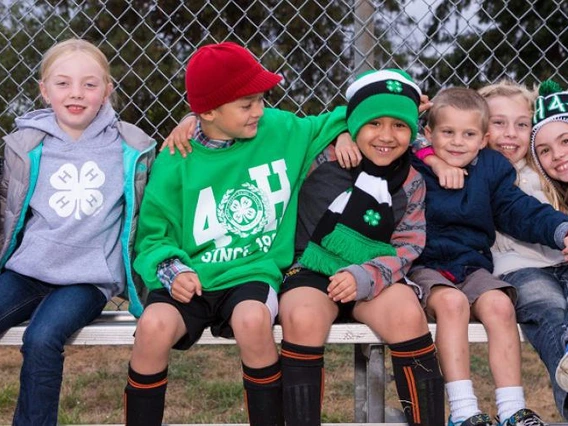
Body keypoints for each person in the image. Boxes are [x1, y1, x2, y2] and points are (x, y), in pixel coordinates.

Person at [123, 41, 349, 426]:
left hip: (251, 273)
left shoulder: (278, 128)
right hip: (191, 277)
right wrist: (172, 270)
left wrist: (347, 130)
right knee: (153, 326)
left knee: (252, 320)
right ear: (208, 111)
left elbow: (344, 116)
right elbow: (153, 236)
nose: (259, 110)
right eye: (247, 105)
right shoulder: (176, 159)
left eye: (261, 99)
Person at [0, 38, 155, 425]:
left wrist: (189, 121)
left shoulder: (130, 147)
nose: (76, 93)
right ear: (44, 90)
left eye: (90, 84)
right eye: (63, 83)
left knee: (42, 338)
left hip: (87, 279)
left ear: (107, 91)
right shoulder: (25, 144)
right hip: (28, 270)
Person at [276, 68, 444, 426]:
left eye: (399, 125)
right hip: (311, 269)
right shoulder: (321, 156)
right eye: (374, 124)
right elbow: (280, 124)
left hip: (373, 274)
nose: (386, 136)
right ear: (355, 124)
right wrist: (339, 130)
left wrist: (367, 275)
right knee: (302, 317)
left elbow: (408, 246)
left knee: (406, 313)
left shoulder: (411, 180)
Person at [408, 87, 568, 426]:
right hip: (427, 264)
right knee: (453, 304)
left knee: (500, 305)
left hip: (472, 265)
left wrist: (561, 229)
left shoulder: (493, 169)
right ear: (428, 134)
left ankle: (512, 408)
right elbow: (392, 141)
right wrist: (426, 153)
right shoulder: (415, 165)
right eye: (447, 132)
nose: (456, 142)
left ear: (482, 140)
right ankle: (464, 411)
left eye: (468, 134)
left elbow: (520, 210)